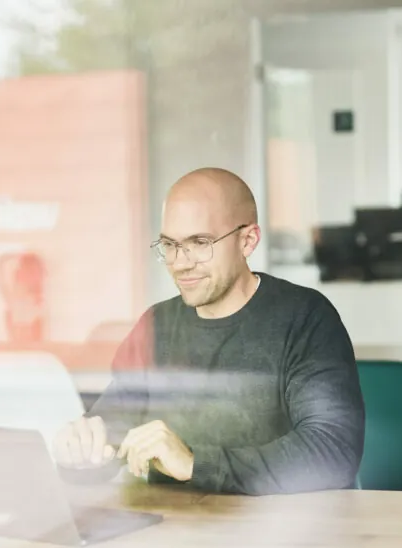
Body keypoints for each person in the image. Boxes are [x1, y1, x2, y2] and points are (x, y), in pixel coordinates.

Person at [53, 168, 364, 495]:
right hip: (174, 532)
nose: (180, 262)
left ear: (248, 240)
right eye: (169, 245)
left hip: (280, 535)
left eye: (199, 243)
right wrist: (79, 454)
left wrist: (194, 464)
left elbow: (333, 452)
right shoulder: (155, 326)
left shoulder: (305, 318)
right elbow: (109, 443)